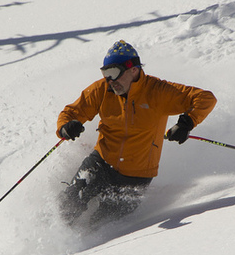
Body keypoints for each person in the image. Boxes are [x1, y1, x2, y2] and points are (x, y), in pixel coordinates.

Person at [56, 40, 217, 228]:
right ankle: (51, 239)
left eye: (114, 73)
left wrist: (186, 123)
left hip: (136, 178)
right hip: (101, 162)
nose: (110, 80)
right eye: (105, 74)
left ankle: (85, 251)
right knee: (71, 201)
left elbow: (206, 98)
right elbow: (71, 112)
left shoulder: (158, 91)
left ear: (133, 69)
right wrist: (66, 127)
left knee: (102, 225)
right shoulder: (102, 89)